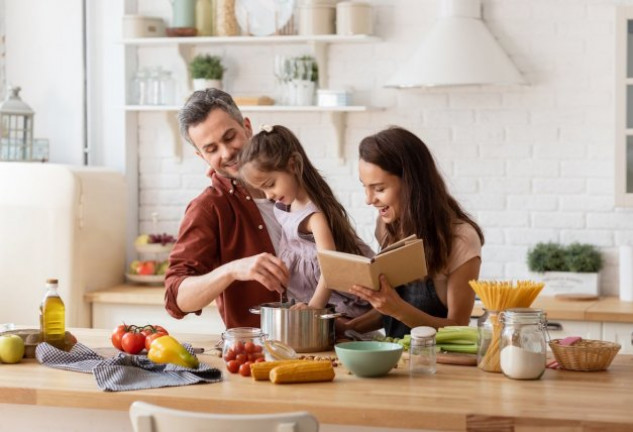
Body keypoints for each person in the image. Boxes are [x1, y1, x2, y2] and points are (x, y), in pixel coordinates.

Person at [164, 89, 290, 329]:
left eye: (230, 137)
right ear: (201, 156)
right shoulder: (209, 208)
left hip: (331, 338)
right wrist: (232, 270)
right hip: (260, 352)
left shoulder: (295, 179)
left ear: (247, 127)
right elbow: (176, 298)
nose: (227, 152)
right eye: (211, 149)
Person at [344, 126, 485, 338]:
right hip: (396, 360)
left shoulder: (460, 240)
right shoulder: (387, 226)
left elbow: (459, 327)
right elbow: (389, 309)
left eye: (379, 189)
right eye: (365, 187)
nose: (369, 199)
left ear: (411, 184)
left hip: (439, 365)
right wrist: (347, 327)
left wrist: (396, 309)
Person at [238, 124, 373, 318]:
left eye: (270, 185)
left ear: (292, 165)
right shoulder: (286, 205)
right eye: (262, 190)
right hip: (306, 297)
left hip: (334, 303)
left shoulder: (314, 217)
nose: (269, 195)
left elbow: (331, 268)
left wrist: (314, 309)